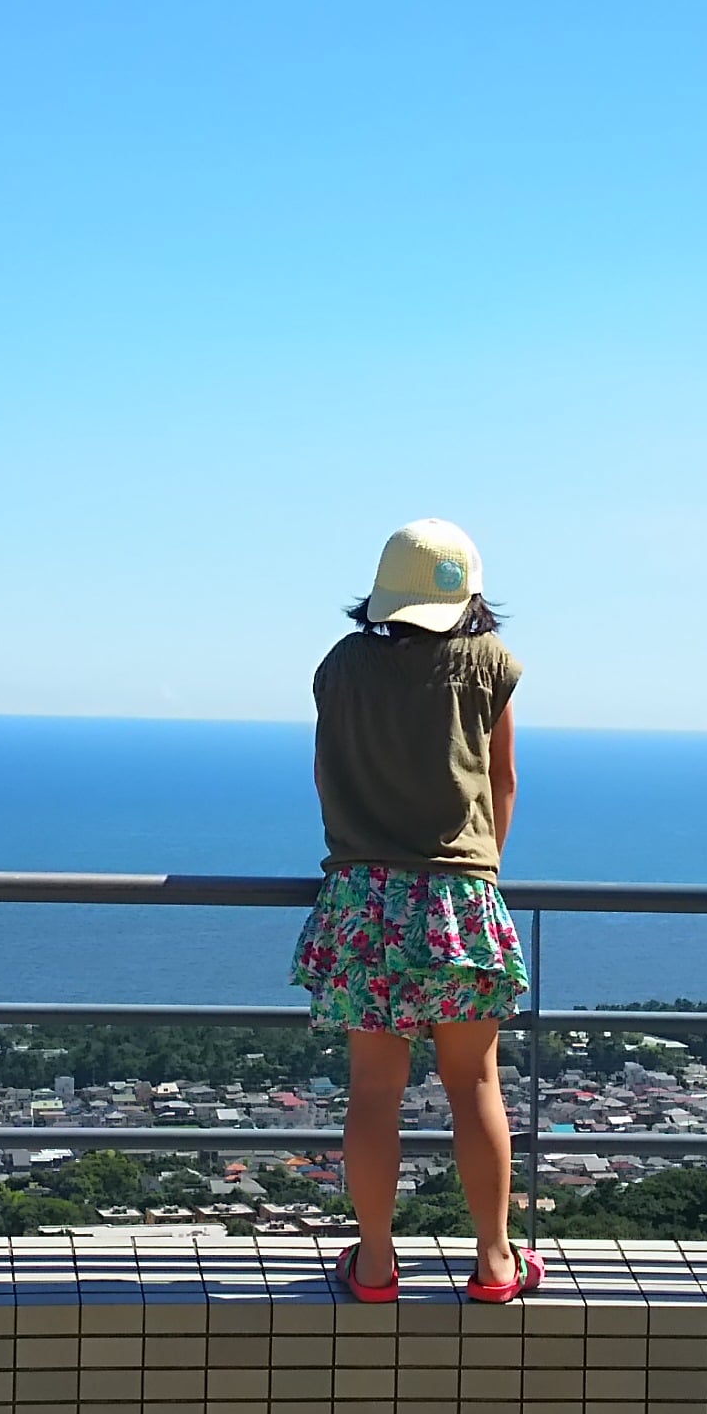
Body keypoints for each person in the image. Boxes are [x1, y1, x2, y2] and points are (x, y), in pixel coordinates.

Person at [291, 518, 540, 1305]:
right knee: (475, 1085)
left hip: (361, 897)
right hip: (459, 901)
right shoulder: (489, 663)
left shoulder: (340, 667)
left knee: (373, 1090)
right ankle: (495, 1262)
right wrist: (480, 869)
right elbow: (501, 781)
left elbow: (325, 776)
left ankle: (373, 1264)